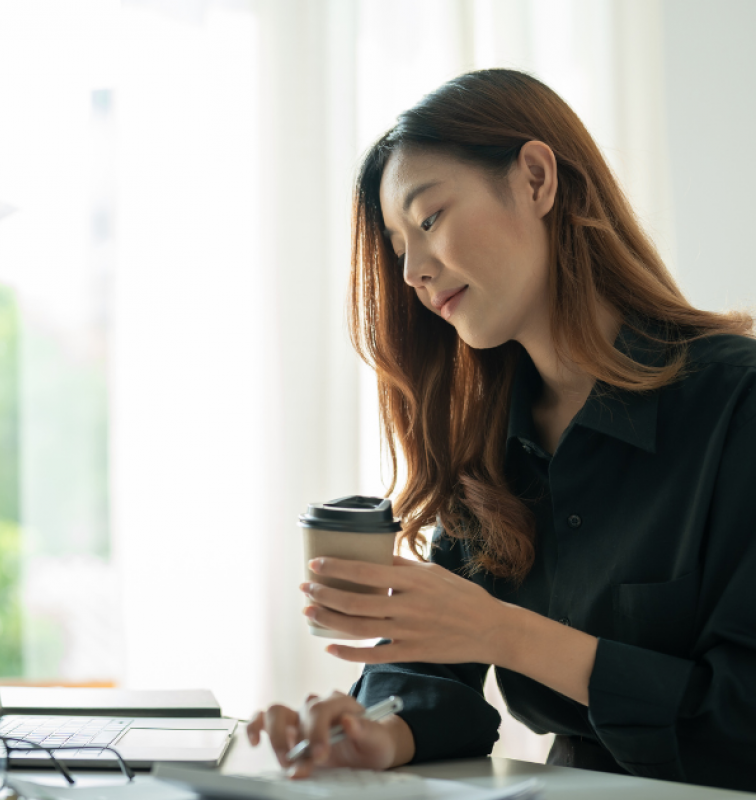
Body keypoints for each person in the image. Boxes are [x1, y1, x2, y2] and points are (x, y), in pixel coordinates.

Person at [245, 68, 756, 793]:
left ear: (537, 179)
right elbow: (438, 673)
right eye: (399, 250)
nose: (415, 271)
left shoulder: (737, 404)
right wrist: (376, 732)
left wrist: (502, 632)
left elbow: (739, 723)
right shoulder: (491, 443)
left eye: (427, 220)